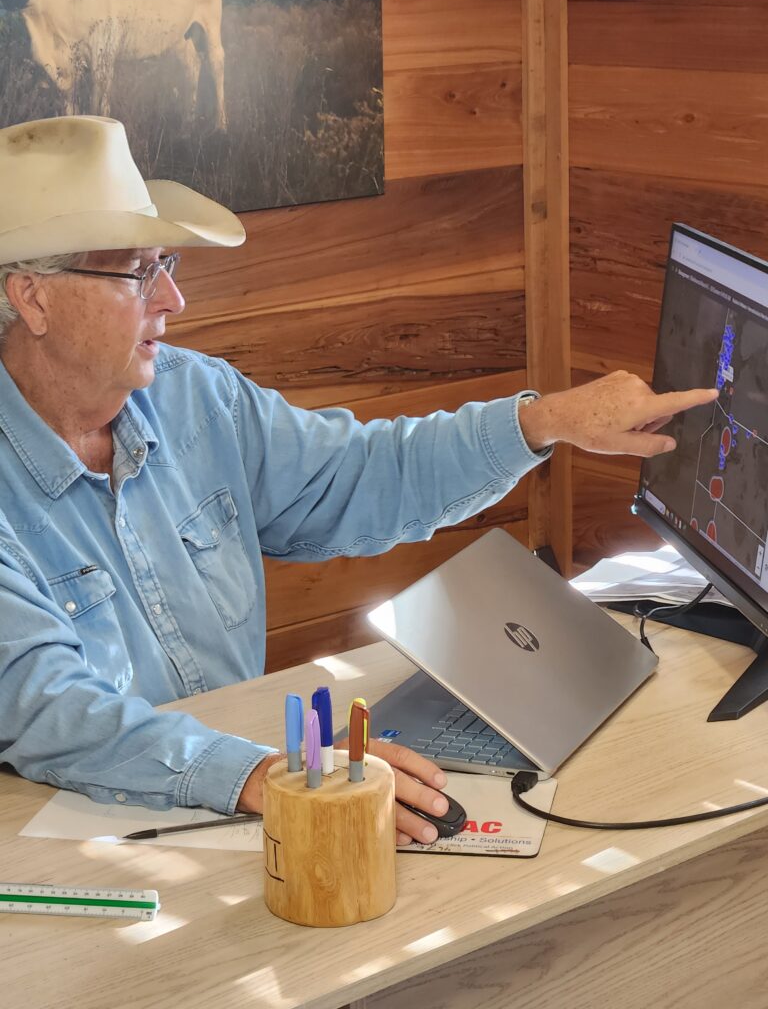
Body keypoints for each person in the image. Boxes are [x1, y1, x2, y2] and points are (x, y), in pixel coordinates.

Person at [0, 115, 717, 846]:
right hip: (103, 837)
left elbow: (361, 474)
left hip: (260, 795)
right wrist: (267, 777)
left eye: (166, 266)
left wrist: (545, 422)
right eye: (135, 272)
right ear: (32, 298)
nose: (171, 301)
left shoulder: (195, 396)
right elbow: (51, 710)